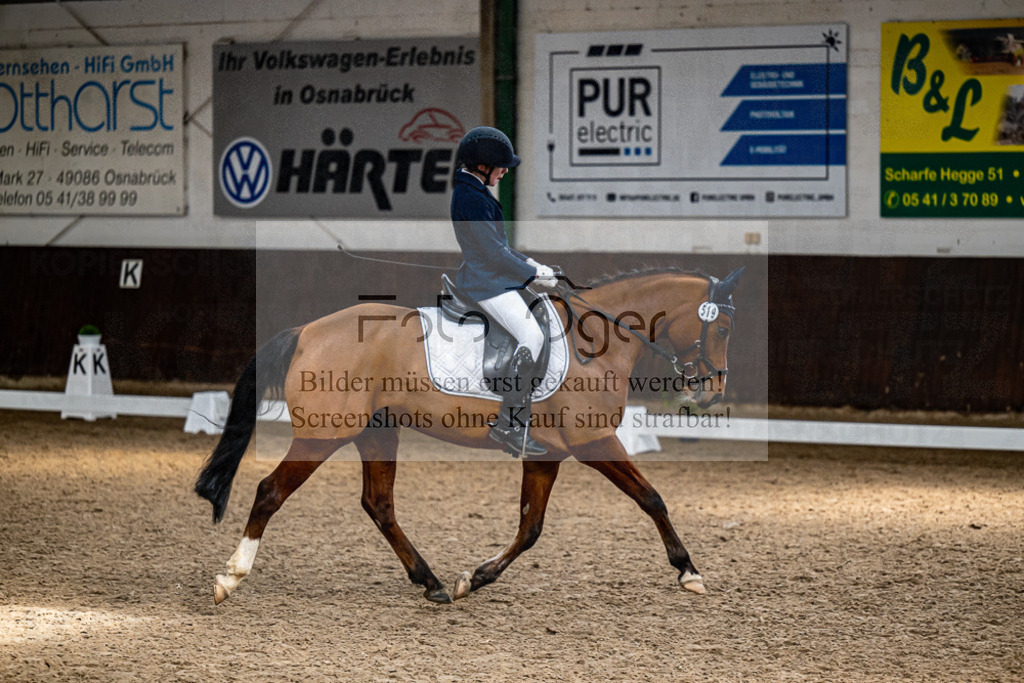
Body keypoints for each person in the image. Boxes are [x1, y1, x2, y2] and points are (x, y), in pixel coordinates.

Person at [450, 126, 558, 457]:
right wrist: (531, 274)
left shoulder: (476, 192)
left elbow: (501, 248)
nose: (505, 170)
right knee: (533, 336)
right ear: (482, 165)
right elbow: (493, 256)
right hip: (486, 284)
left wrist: (533, 264)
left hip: (490, 277)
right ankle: (509, 425)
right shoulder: (471, 198)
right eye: (501, 165)